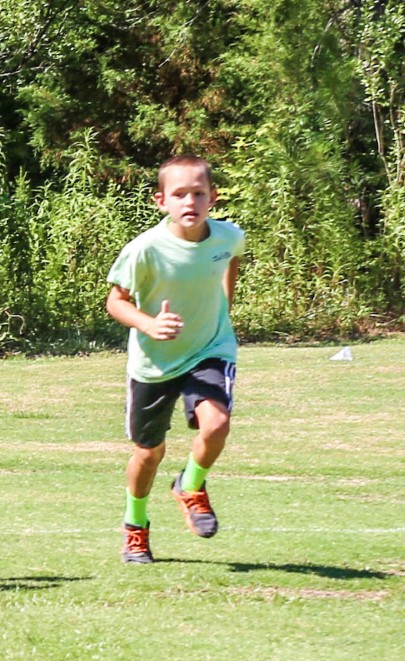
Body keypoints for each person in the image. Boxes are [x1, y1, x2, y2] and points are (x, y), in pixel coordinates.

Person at [105, 154, 245, 565]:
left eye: (198, 193)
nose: (190, 202)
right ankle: (135, 526)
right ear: (160, 200)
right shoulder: (144, 250)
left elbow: (229, 262)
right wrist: (149, 325)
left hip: (210, 348)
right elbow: (115, 302)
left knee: (217, 423)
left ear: (213, 198)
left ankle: (191, 486)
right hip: (153, 362)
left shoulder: (228, 237)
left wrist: (224, 306)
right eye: (179, 194)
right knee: (148, 454)